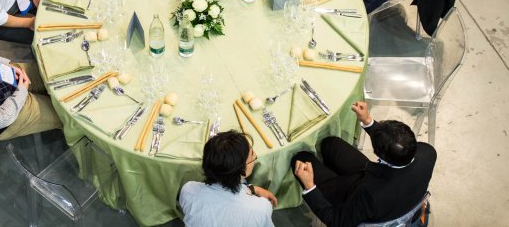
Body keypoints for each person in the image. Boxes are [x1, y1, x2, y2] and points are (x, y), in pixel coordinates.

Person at [292, 102, 436, 226]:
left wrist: (309, 186)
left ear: (380, 155)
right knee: (330, 144)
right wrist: (368, 121)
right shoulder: (428, 153)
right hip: (383, 183)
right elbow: (395, 145)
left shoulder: (370, 194)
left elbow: (337, 221)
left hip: (363, 197)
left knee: (301, 158)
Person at [180, 131, 277, 227]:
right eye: (252, 154)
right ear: (242, 170)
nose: (255, 155)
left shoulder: (188, 191)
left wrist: (252, 189)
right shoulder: (262, 209)